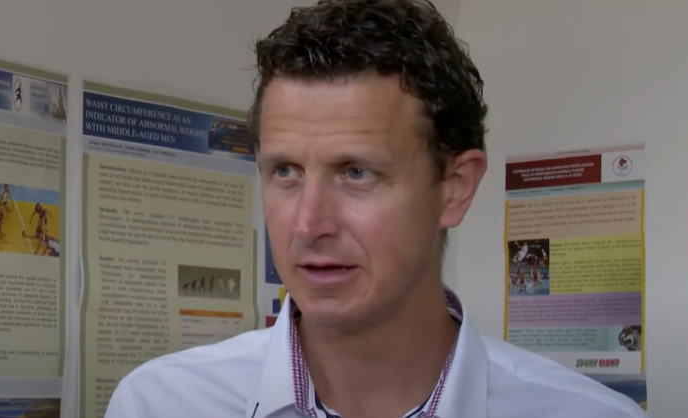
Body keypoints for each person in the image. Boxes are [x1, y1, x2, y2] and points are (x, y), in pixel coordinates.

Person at [104, 1, 648, 418]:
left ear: (455, 187)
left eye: (356, 173)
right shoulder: (160, 403)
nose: (308, 224)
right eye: (286, 171)